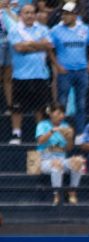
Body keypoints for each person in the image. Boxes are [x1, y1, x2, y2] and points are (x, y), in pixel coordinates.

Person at [50, 2, 89, 136]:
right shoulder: (55, 30)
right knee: (62, 104)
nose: (64, 17)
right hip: (65, 72)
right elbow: (50, 49)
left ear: (75, 15)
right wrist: (57, 66)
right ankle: (60, 132)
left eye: (67, 14)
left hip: (82, 71)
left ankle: (80, 134)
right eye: (63, 14)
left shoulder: (85, 29)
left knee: (81, 104)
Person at [7, 3, 52, 145]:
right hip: (21, 75)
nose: (30, 15)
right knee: (17, 108)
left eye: (32, 13)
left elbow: (48, 45)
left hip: (40, 75)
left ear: (36, 15)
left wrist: (29, 44)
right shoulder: (15, 30)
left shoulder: (43, 29)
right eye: (26, 13)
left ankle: (40, 135)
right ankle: (16, 134)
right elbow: (19, 48)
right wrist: (38, 45)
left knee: (40, 108)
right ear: (20, 15)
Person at [36, 103, 84, 205]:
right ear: (51, 114)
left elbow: (69, 148)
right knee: (56, 164)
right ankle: (57, 195)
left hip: (61, 159)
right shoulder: (42, 125)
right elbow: (40, 141)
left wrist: (69, 138)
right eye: (58, 113)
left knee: (79, 161)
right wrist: (53, 131)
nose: (61, 116)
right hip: (44, 160)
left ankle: (72, 192)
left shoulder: (65, 126)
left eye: (63, 113)